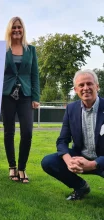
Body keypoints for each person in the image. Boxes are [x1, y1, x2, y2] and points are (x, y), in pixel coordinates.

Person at [41, 69, 104, 200]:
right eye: (81, 85)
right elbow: (62, 141)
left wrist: (93, 164)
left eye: (89, 84)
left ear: (97, 86)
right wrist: (69, 161)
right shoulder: (71, 109)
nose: (85, 88)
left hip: (102, 160)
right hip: (80, 158)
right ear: (75, 90)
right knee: (48, 162)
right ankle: (81, 186)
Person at [2, 17, 40, 183]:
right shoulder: (3, 50)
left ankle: (22, 168)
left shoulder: (31, 50)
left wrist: (36, 97)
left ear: (23, 30)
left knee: (27, 132)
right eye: (14, 27)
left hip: (26, 95)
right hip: (7, 94)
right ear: (9, 30)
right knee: (8, 132)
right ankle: (12, 167)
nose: (17, 30)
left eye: (19, 27)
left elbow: (35, 75)